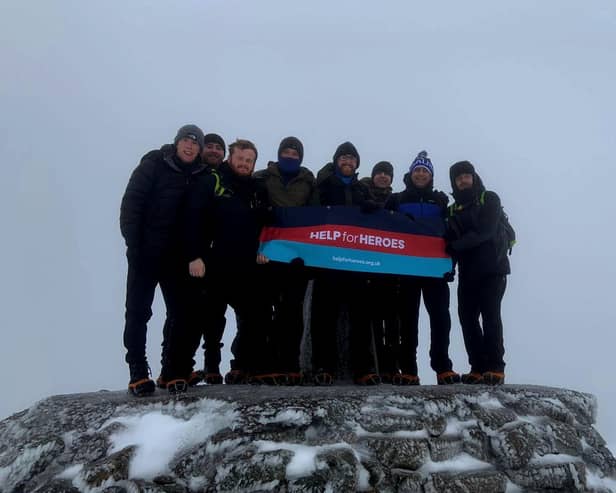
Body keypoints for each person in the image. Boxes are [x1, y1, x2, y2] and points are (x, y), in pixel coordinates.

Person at [161, 139, 270, 391]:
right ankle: (178, 371)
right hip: (211, 264)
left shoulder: (257, 188)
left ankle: (244, 366)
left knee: (256, 315)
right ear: (230, 158)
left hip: (245, 266)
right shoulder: (212, 181)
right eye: (240, 159)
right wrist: (193, 256)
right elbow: (191, 217)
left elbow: (268, 222)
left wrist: (266, 248)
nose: (244, 164)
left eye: (249, 161)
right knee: (196, 318)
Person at [119, 124, 208, 396]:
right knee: (138, 313)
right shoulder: (153, 165)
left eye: (195, 143)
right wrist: (135, 248)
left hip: (176, 259)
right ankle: (137, 371)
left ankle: (170, 371)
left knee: (181, 314)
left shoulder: (200, 175)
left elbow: (198, 219)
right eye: (185, 140)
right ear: (177, 142)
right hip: (145, 255)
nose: (189, 146)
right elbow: (131, 206)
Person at [386, 151, 460, 385]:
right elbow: (384, 229)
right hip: (405, 270)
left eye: (425, 171)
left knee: (441, 319)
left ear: (431, 176)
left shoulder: (440, 201)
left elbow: (451, 235)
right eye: (417, 170)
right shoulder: (396, 200)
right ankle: (408, 368)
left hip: (435, 270)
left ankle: (442, 367)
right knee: (407, 321)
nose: (420, 174)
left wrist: (452, 265)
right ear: (410, 173)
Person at [311, 142, 379, 385]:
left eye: (352, 158)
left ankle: (363, 369)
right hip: (327, 261)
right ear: (336, 161)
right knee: (323, 316)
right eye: (343, 158)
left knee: (361, 317)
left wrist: (373, 210)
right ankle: (323, 366)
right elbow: (308, 217)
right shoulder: (323, 186)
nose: (347, 161)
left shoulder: (363, 189)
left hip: (357, 263)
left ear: (357, 163)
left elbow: (376, 225)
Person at [253, 136, 318, 385]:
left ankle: (290, 364)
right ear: (279, 153)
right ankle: (265, 364)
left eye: (294, 153)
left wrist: (308, 255)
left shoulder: (309, 183)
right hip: (266, 256)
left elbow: (315, 219)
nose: (290, 156)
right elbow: (255, 213)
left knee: (291, 312)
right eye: (286, 152)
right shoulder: (262, 178)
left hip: (296, 258)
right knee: (264, 311)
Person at [446, 160, 510, 385]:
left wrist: (456, 246)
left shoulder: (489, 198)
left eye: (467, 176)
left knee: (491, 317)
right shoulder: (452, 209)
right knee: (467, 319)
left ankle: (495, 367)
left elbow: (485, 231)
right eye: (458, 177)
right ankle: (478, 366)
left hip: (493, 270)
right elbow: (448, 241)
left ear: (473, 177)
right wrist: (447, 267)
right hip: (468, 272)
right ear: (454, 182)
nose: (463, 180)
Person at [358, 162, 400, 383]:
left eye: (387, 174)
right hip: (365, 268)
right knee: (370, 321)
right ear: (373, 176)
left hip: (391, 269)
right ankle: (372, 366)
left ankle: (391, 367)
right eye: (379, 173)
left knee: (392, 322)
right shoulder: (361, 195)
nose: (383, 176)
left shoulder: (396, 201)